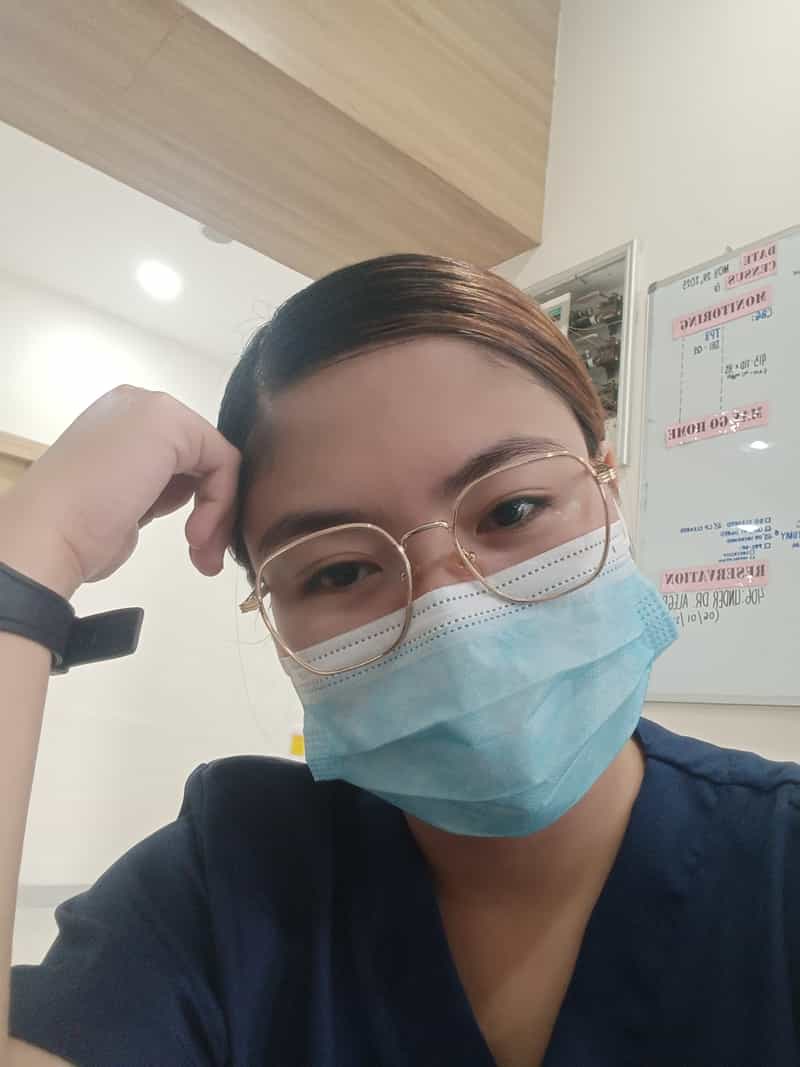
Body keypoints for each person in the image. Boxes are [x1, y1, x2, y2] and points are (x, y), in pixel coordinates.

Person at [2, 255, 799, 1067]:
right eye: (340, 571)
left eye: (513, 509)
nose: (452, 619)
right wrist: (30, 555)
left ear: (609, 489)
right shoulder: (228, 883)